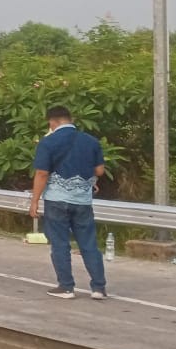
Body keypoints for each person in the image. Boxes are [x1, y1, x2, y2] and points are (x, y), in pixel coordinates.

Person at [30, 106, 107, 300]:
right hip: (83, 201)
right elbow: (99, 171)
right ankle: (98, 288)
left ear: (52, 122)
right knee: (88, 244)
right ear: (70, 119)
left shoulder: (48, 142)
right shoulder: (91, 141)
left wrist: (35, 201)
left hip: (56, 200)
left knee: (60, 244)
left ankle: (66, 287)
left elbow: (42, 173)